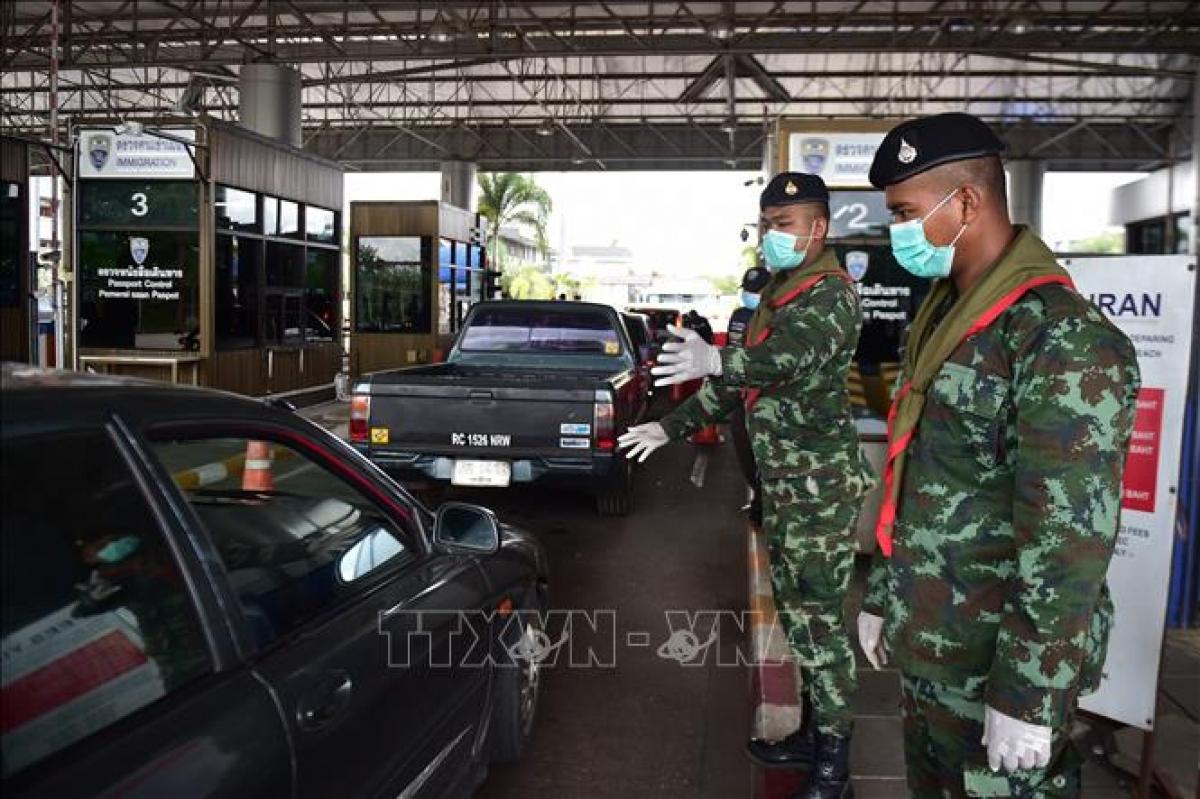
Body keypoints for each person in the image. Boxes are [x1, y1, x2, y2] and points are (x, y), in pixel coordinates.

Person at [856, 112, 1140, 798]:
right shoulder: (947, 312)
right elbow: (920, 472)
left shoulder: (1060, 338)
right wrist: (885, 593)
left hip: (997, 665)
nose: (895, 232)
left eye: (904, 212)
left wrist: (1029, 691)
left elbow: (1069, 536)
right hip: (935, 642)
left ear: (967, 203)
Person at [619, 173, 875, 799]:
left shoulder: (832, 296)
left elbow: (789, 359)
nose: (772, 237)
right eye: (766, 225)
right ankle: (814, 734)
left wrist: (720, 358)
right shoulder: (782, 294)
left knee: (818, 627)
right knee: (798, 619)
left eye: (784, 225)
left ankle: (834, 766)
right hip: (785, 487)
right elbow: (736, 388)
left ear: (818, 229)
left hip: (818, 490)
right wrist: (670, 425)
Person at [727, 266, 772, 525]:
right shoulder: (740, 316)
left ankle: (767, 504)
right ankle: (758, 498)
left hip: (771, 399)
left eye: (756, 291)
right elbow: (733, 354)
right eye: (748, 290)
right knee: (745, 449)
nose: (750, 295)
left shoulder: (784, 315)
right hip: (743, 395)